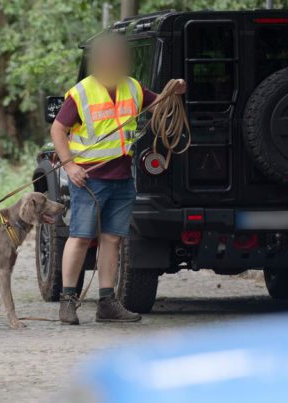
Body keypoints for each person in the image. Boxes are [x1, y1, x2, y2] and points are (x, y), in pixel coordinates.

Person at [50, 33, 186, 324]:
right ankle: (68, 301)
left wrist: (174, 90)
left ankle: (107, 303)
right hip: (89, 178)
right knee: (81, 238)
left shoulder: (133, 88)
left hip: (122, 178)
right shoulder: (82, 92)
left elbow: (160, 105)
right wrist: (70, 166)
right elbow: (58, 130)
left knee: (112, 240)